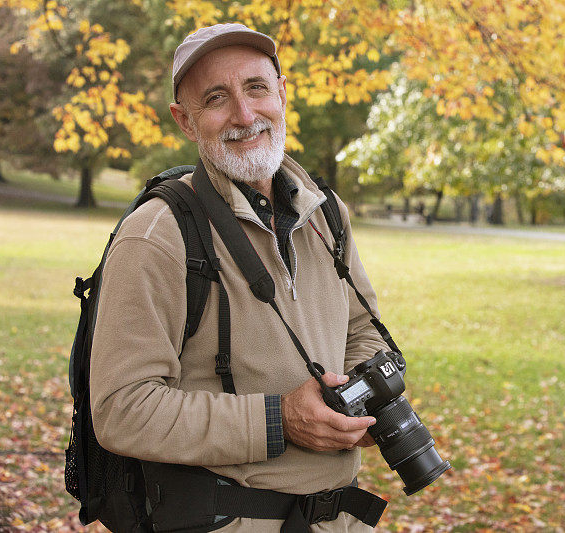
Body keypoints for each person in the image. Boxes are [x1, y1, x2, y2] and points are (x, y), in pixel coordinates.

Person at [90, 23, 390, 532]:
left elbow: (363, 331)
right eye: (216, 98)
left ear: (282, 92)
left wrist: (361, 400)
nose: (245, 115)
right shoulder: (157, 236)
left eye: (256, 87)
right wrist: (278, 422)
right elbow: (122, 409)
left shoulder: (326, 213)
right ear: (185, 121)